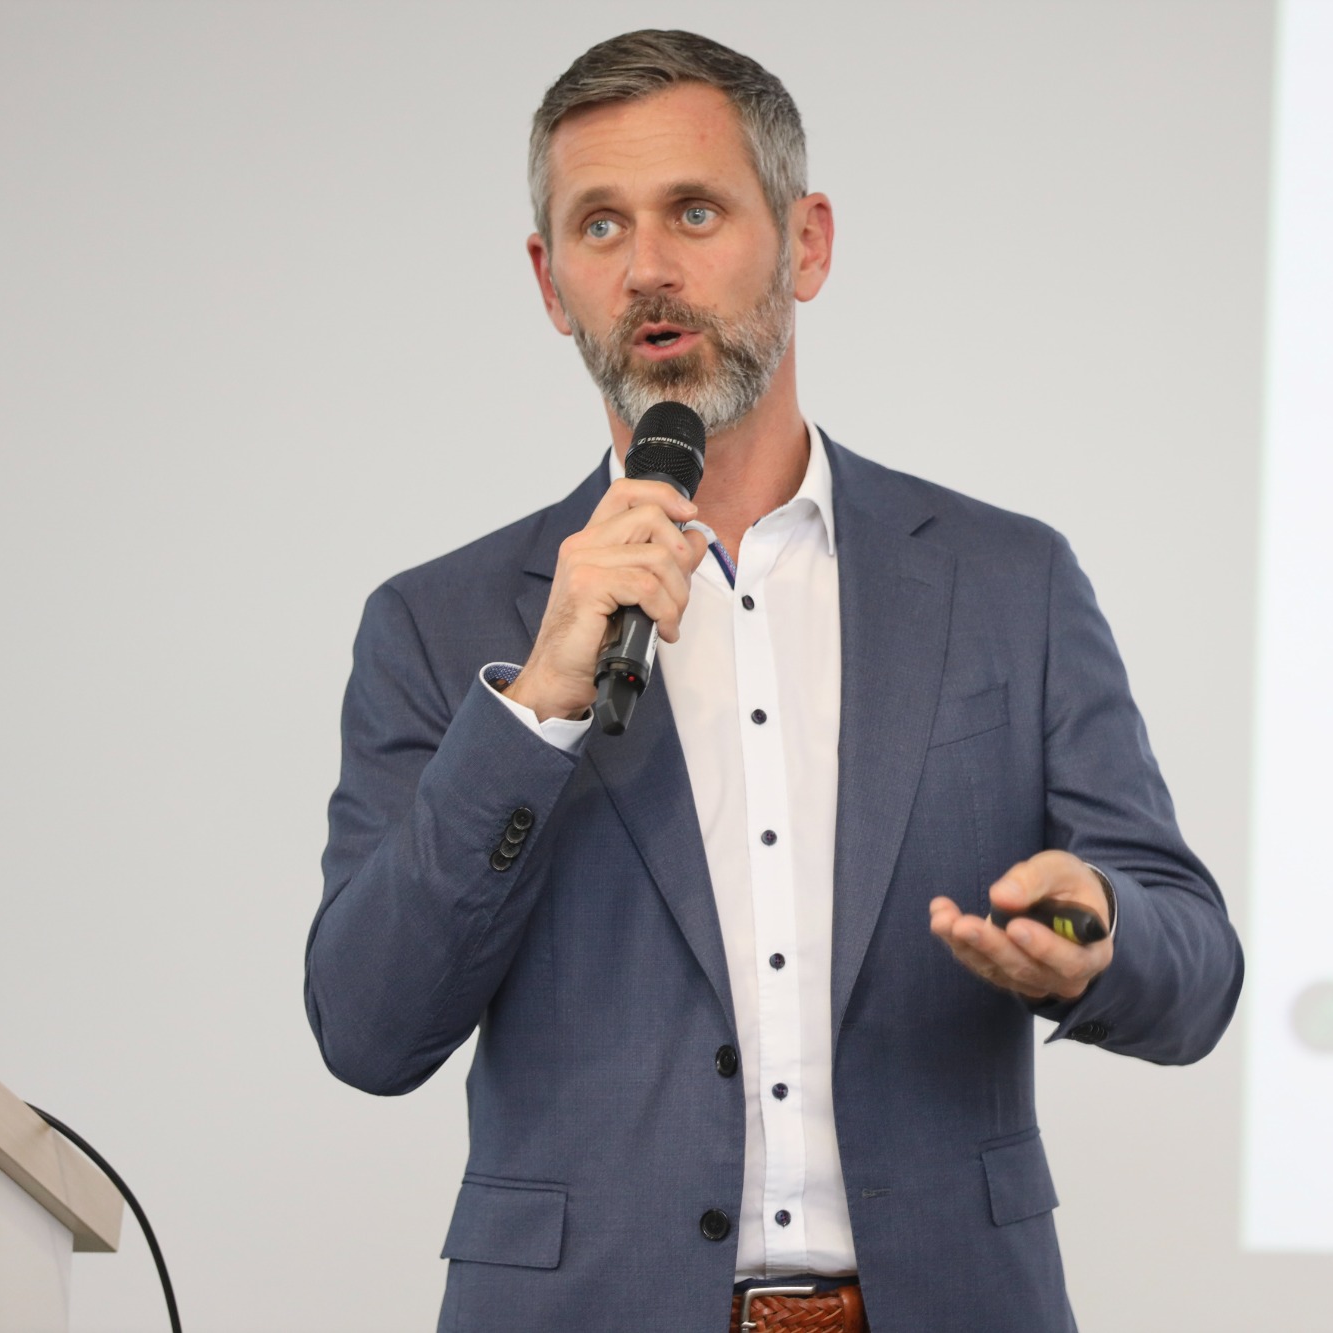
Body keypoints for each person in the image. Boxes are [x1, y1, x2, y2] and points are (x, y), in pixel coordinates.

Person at [303, 29, 1241, 1333]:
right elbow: (368, 1028)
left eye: (695, 211)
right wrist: (535, 708)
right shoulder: (438, 623)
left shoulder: (1005, 583)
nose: (647, 266)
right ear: (549, 280)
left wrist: (1095, 936)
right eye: (599, 225)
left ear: (806, 242)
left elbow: (1197, 968)